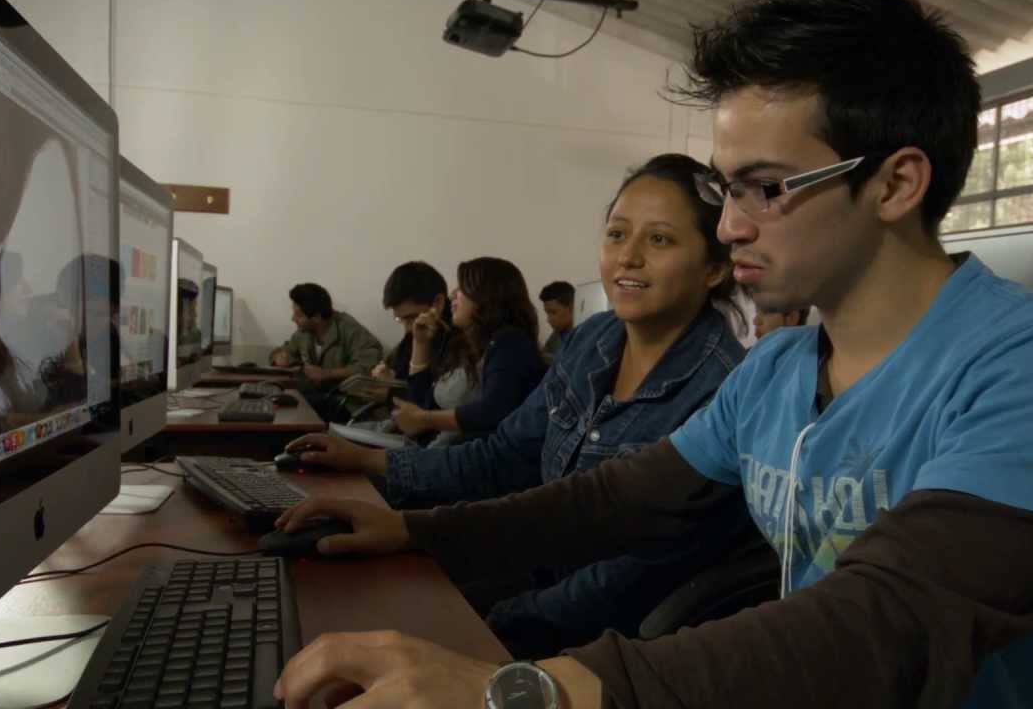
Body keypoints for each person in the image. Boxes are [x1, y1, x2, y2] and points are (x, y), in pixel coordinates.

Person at [271, 0, 1033, 707]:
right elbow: (613, 501)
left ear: (896, 183)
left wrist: (537, 690)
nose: (729, 226)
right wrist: (411, 529)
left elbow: (891, 618)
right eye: (725, 188)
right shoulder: (780, 371)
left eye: (767, 187)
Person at [285, 154, 759, 658]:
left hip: (602, 644)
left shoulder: (724, 388)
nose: (628, 257)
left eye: (659, 239)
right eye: (617, 234)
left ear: (714, 267)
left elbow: (632, 578)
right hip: (527, 575)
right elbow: (504, 455)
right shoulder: (591, 341)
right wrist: (370, 464)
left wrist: (489, 625)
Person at [385, 257, 545, 442]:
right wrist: (420, 343)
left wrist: (424, 420)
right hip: (433, 449)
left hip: (466, 459)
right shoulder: (466, 344)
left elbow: (494, 411)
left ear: (488, 296)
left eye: (462, 288)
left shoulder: (510, 344)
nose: (452, 294)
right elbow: (421, 402)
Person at [270, 283, 383, 422]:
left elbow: (370, 367)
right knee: (281, 401)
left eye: (298, 315)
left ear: (316, 317)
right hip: (318, 396)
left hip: (347, 402)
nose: (293, 319)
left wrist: (328, 374)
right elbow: (286, 351)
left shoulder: (350, 329)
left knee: (293, 408)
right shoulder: (304, 332)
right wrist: (278, 356)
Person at [371, 261, 454, 382]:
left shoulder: (459, 339)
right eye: (399, 319)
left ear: (438, 302)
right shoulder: (411, 337)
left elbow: (438, 397)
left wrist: (393, 389)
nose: (407, 328)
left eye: (411, 317)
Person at [537, 280, 575, 360]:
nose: (548, 319)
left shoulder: (585, 336)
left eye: (553, 312)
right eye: (547, 313)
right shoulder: (557, 334)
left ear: (571, 308)